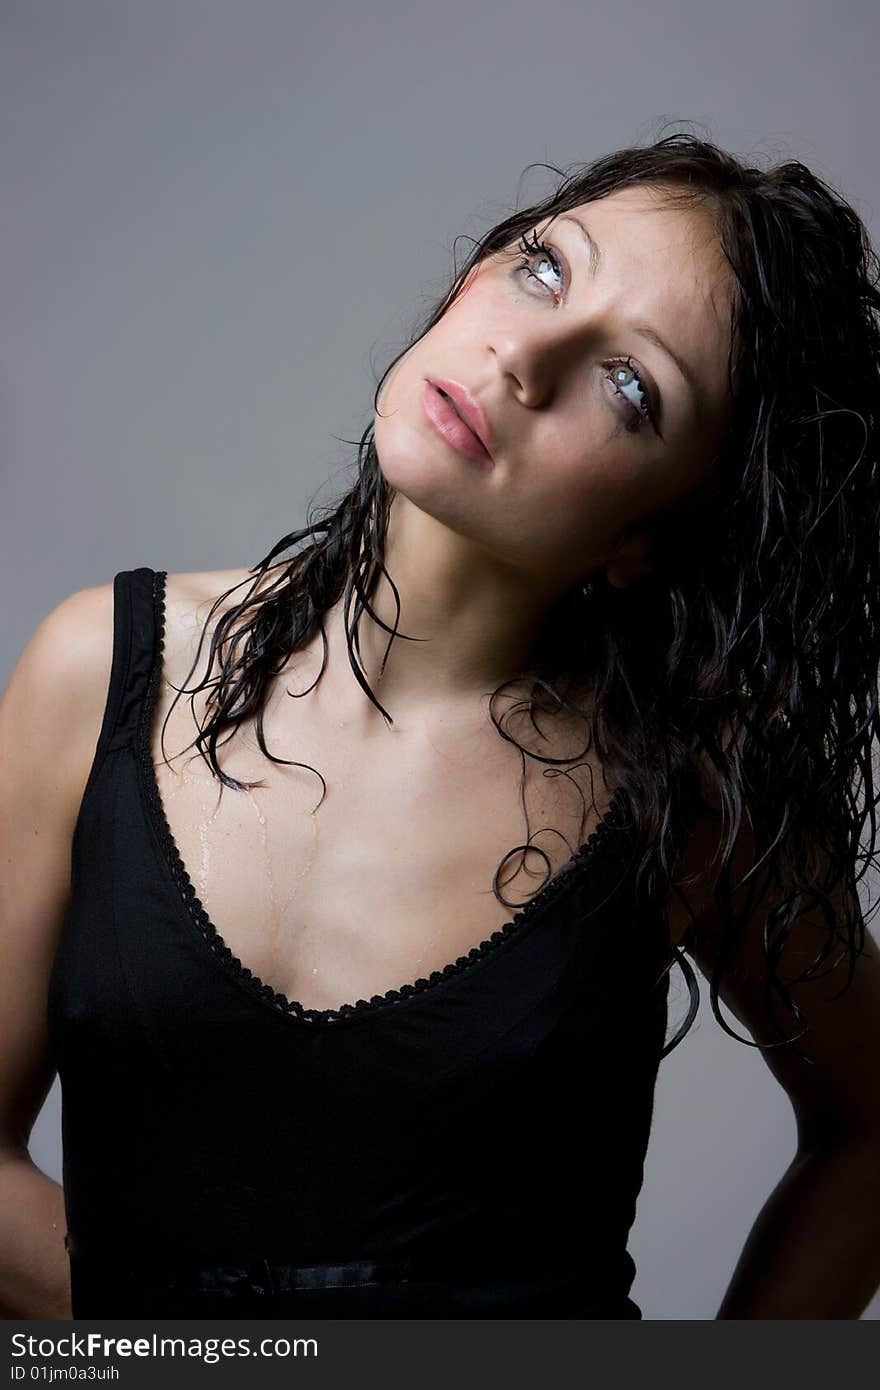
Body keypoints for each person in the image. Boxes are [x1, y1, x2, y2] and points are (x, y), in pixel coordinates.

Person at [3, 131, 880, 1321]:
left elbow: (868, 1134)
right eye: (543, 267)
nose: (527, 354)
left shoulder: (692, 779)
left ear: (653, 535)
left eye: (630, 386)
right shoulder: (100, 668)